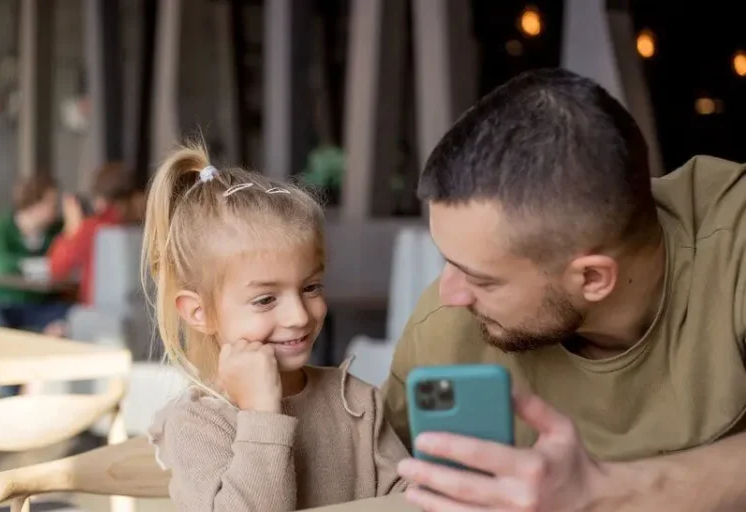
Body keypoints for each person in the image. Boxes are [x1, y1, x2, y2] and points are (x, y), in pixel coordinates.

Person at [383, 68, 746, 511]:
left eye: (481, 278)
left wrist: (603, 494)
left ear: (593, 278)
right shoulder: (444, 331)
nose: (450, 294)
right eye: (448, 261)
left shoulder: (734, 245)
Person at [143, 143, 409, 511]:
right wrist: (262, 415)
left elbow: (411, 502)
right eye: (266, 299)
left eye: (311, 287)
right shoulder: (197, 426)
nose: (299, 316)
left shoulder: (357, 402)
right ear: (198, 312)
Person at [0, 173, 69, 330]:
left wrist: (72, 231)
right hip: (0, 301)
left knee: (72, 315)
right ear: (33, 204)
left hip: (37, 304)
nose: (56, 210)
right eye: (51, 204)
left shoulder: (56, 230)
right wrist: (41, 265)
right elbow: (0, 265)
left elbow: (67, 262)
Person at [47, 162, 133, 306]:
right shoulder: (146, 224)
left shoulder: (93, 228)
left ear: (99, 197)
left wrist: (71, 227)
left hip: (98, 313)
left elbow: (57, 269)